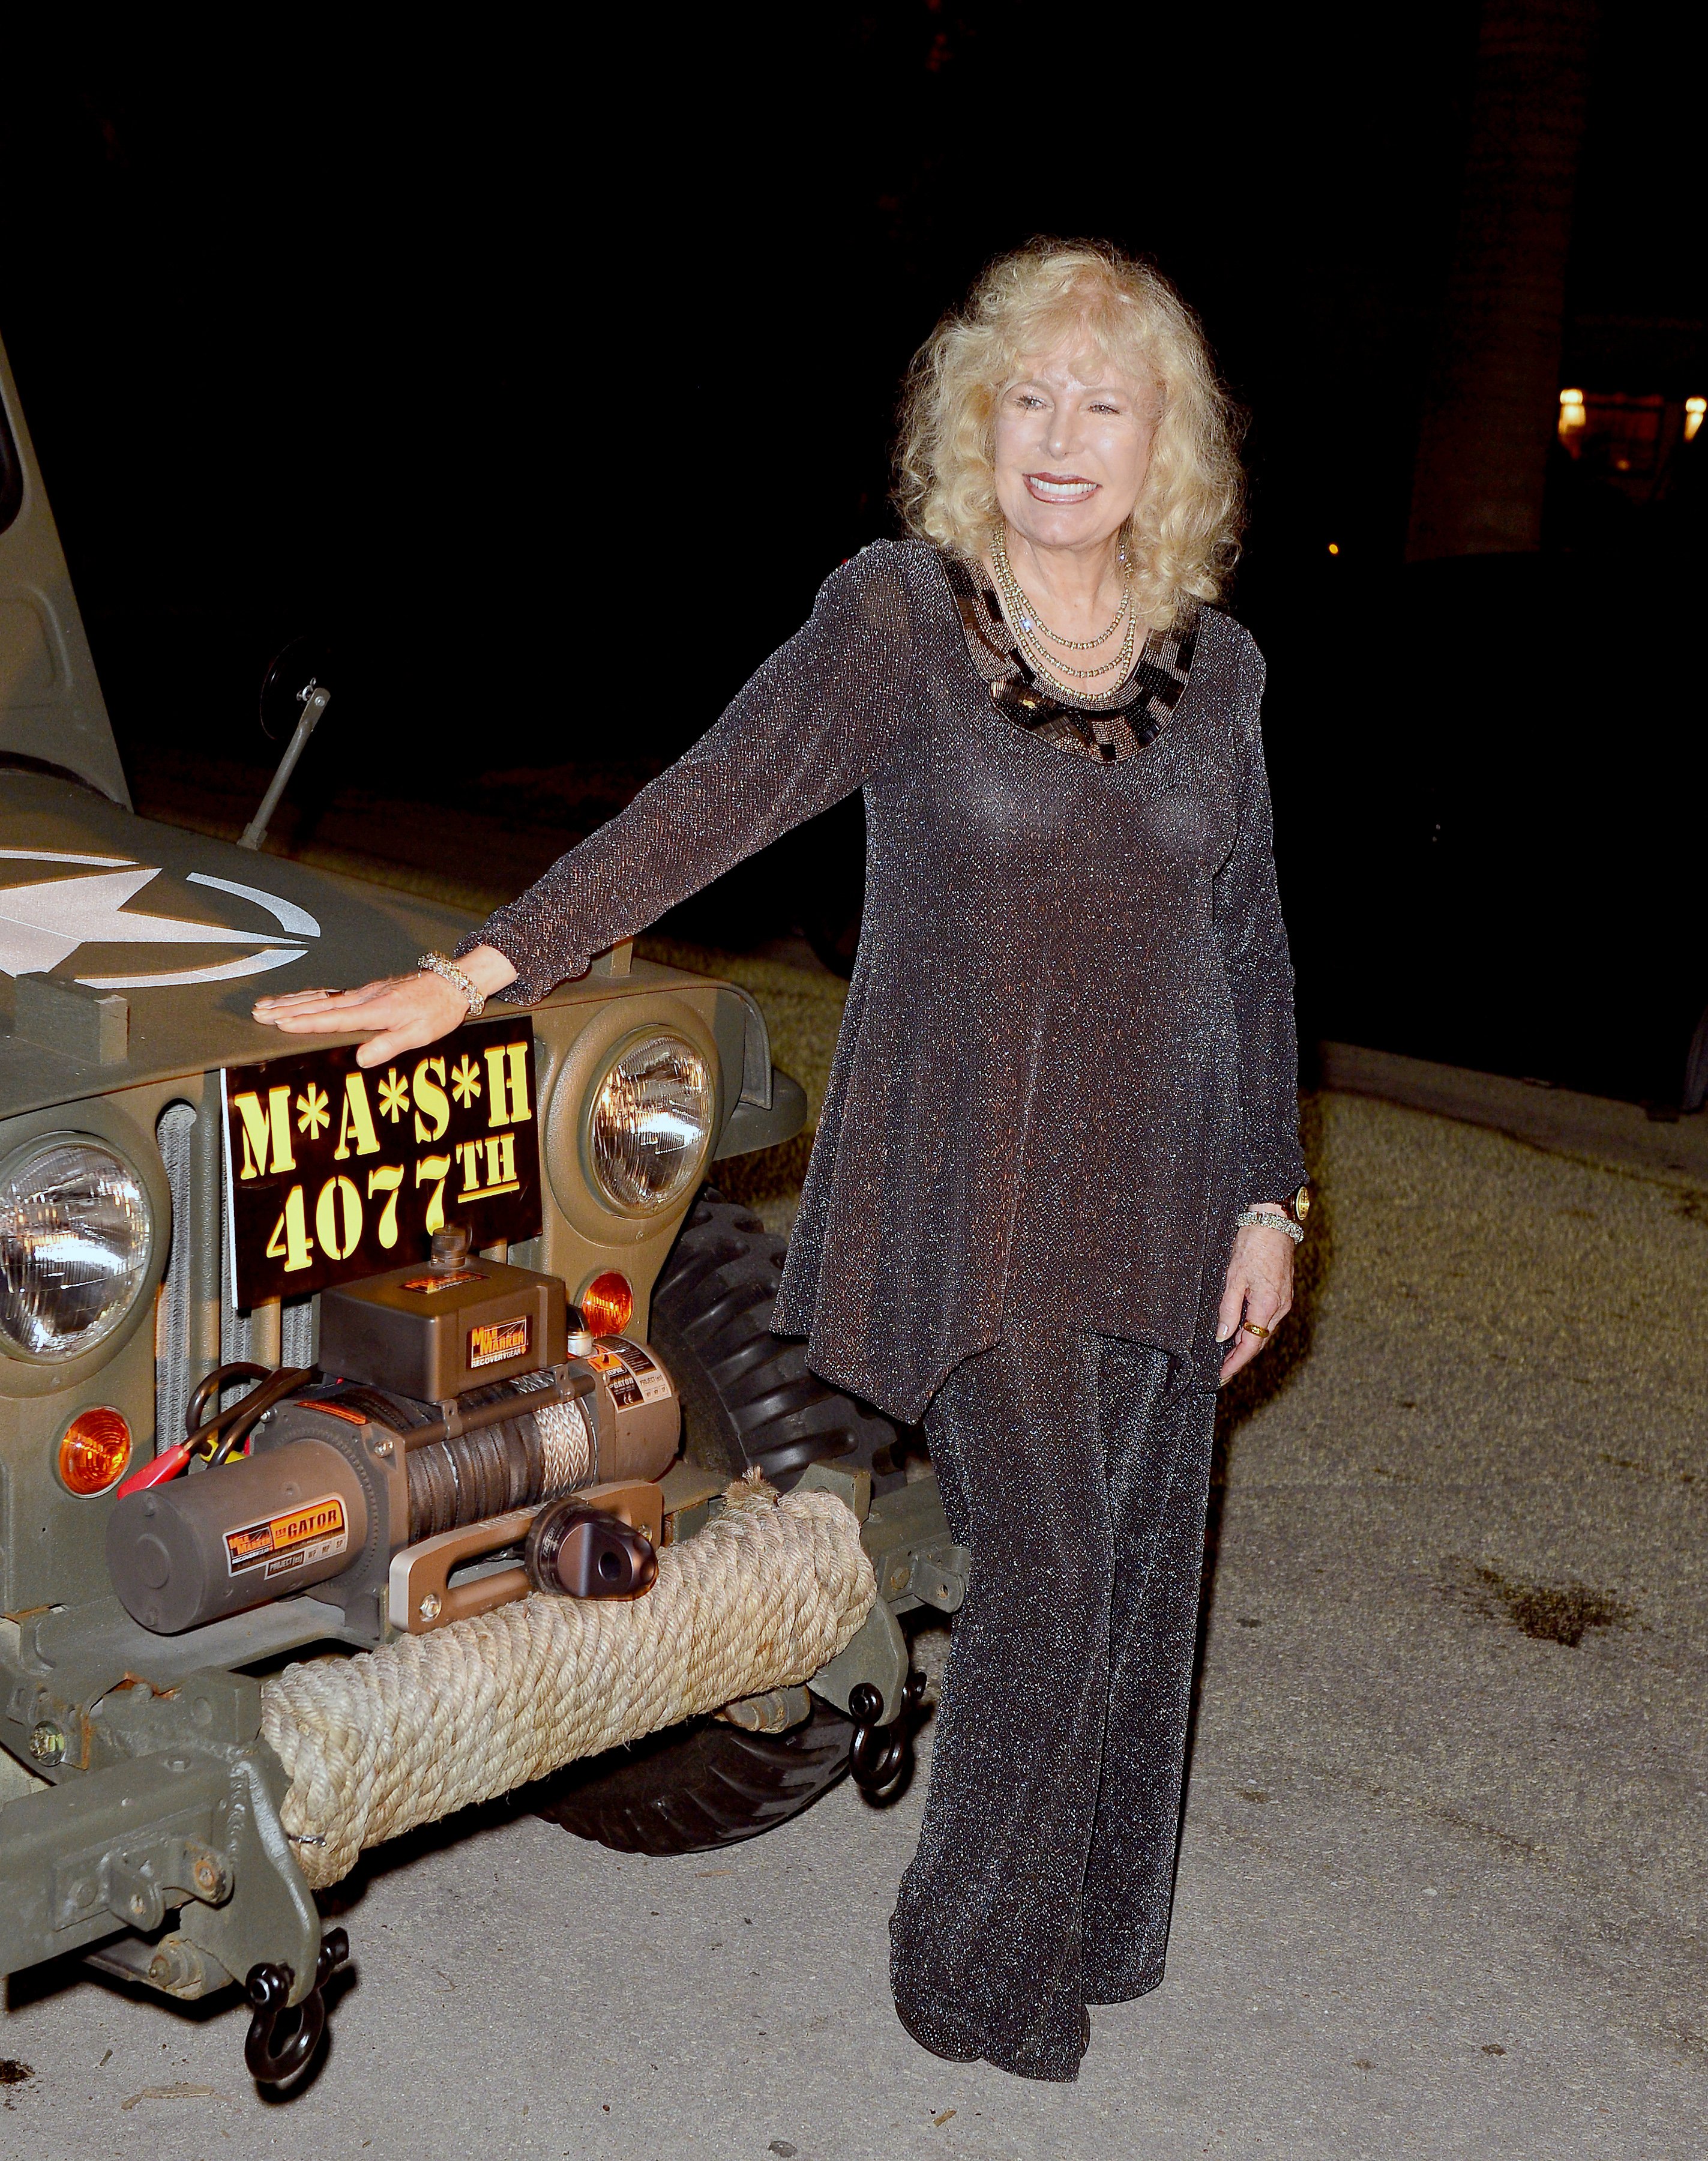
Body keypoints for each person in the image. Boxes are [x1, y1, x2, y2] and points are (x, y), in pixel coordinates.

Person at [254, 239, 1308, 2082]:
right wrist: (487, 965)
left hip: (1165, 1178)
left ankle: (1101, 1924)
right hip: (972, 1191)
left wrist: (1267, 1194)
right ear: (975, 427)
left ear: (1170, 447)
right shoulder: (901, 621)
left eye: (1102, 403)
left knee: (1149, 1567)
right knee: (1054, 1573)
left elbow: (1250, 939)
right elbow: (712, 800)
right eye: (1025, 399)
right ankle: (971, 1969)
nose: (1058, 438)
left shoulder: (1219, 675)